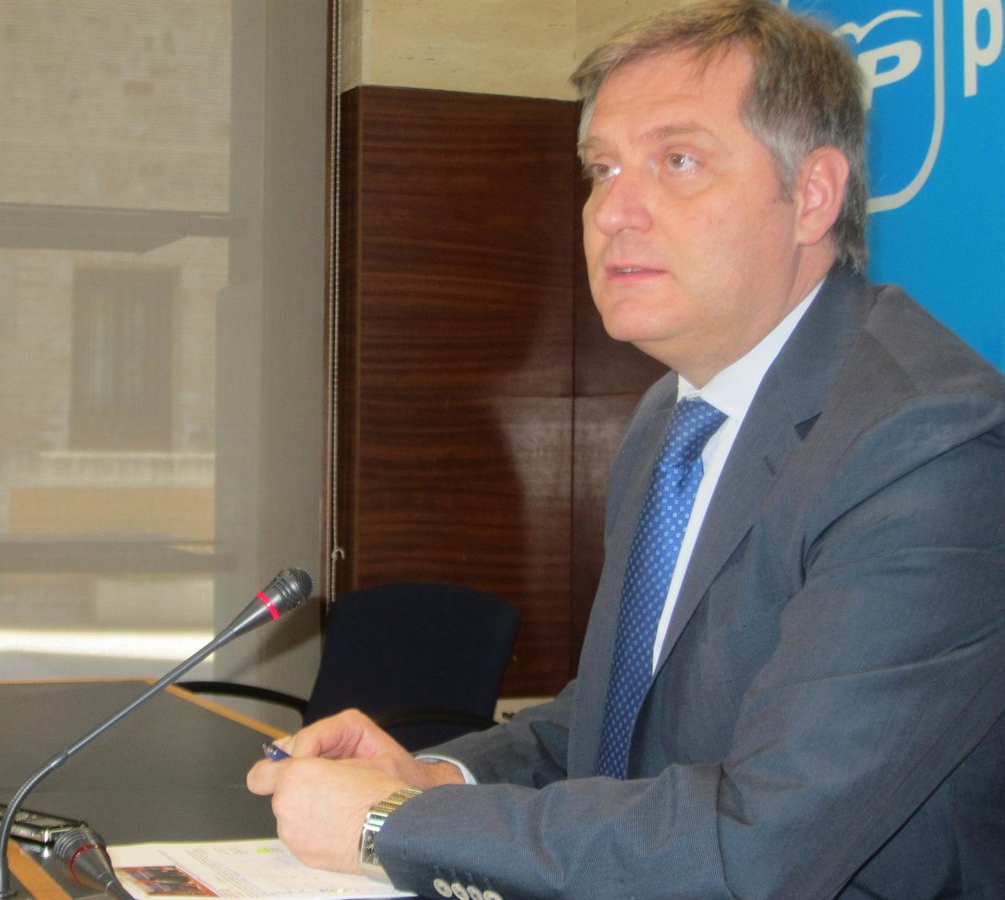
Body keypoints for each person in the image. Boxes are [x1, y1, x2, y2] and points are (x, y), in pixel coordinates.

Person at [248, 1, 1005, 896]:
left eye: (677, 161)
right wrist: (438, 776)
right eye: (601, 169)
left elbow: (762, 846)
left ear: (811, 196)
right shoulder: (670, 419)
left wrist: (391, 825)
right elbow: (618, 725)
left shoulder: (926, 443)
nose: (611, 211)